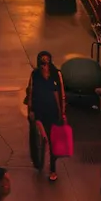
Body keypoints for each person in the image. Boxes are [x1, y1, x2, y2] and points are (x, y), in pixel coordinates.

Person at [26, 51, 67, 183]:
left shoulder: (56, 74)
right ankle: (38, 159)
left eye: (47, 62)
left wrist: (62, 112)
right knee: (39, 136)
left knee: (53, 141)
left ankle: (53, 169)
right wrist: (30, 109)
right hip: (39, 112)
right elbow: (31, 92)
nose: (45, 65)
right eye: (42, 62)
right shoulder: (35, 75)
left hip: (52, 113)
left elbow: (60, 94)